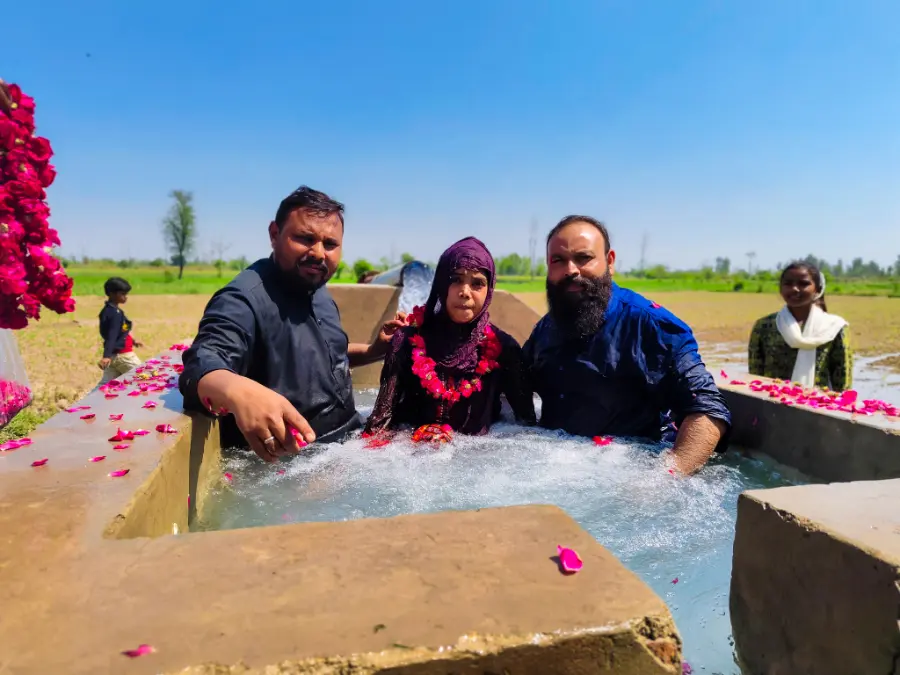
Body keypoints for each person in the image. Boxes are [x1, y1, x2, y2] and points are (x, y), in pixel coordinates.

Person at [179, 186, 405, 462]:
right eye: (305, 238)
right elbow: (201, 364)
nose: (319, 253)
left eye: (330, 244)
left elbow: (321, 355)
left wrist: (373, 351)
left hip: (350, 443)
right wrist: (238, 391)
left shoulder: (316, 289)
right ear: (274, 234)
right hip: (301, 462)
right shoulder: (243, 299)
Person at [522, 215, 731, 474]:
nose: (570, 270)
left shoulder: (651, 326)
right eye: (558, 260)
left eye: (583, 258)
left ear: (609, 262)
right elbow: (518, 386)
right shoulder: (547, 327)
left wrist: (662, 479)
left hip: (627, 470)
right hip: (555, 467)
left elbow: (708, 411)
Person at [364, 237, 535, 441]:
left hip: (478, 453)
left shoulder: (505, 348)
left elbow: (528, 428)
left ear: (489, 290)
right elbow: (379, 425)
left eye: (477, 283)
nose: (465, 292)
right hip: (411, 450)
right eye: (455, 279)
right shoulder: (406, 341)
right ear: (441, 284)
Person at [748, 261, 852, 391]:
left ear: (818, 289)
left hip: (817, 402)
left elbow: (843, 381)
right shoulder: (764, 326)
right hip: (771, 400)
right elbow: (755, 376)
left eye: (803, 284)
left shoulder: (834, 327)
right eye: (788, 284)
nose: (795, 289)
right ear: (780, 288)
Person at [98, 277, 143, 384]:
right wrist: (106, 356)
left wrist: (133, 340)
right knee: (142, 377)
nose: (125, 297)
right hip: (123, 356)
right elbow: (112, 335)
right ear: (112, 294)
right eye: (122, 294)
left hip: (114, 356)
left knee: (106, 385)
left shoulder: (111, 311)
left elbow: (122, 330)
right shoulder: (115, 314)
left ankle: (91, 397)